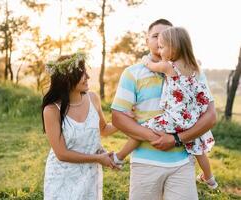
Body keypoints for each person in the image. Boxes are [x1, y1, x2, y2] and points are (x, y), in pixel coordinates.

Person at [111, 19, 217, 200]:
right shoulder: (132, 73)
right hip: (145, 163)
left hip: (182, 163)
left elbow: (211, 115)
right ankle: (209, 177)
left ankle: (118, 157)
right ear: (147, 41)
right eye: (155, 36)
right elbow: (118, 117)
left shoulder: (194, 71)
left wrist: (175, 139)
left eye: (166, 36)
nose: (161, 41)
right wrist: (155, 137)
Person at [42, 52, 118, 200]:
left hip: (90, 174)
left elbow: (103, 129)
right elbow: (61, 154)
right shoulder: (52, 110)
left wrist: (126, 120)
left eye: (86, 72)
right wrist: (97, 158)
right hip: (62, 177)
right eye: (81, 74)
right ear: (66, 79)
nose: (87, 77)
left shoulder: (93, 98)